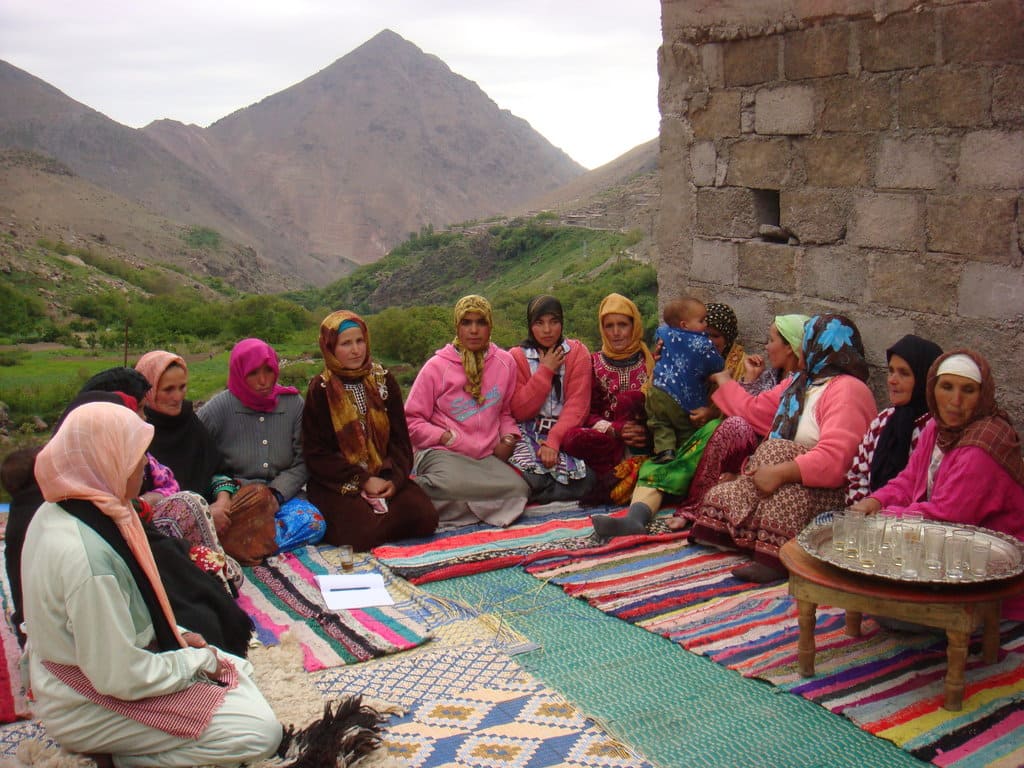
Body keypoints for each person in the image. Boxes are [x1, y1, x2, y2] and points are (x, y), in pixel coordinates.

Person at [23, 402, 282, 763]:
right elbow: (121, 677)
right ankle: (119, 758)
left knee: (240, 672)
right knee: (260, 733)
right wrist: (193, 662)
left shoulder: (63, 510)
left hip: (94, 666)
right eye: (137, 454)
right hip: (84, 697)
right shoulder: (87, 559)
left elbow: (124, 616)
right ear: (106, 457)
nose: (146, 464)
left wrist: (179, 639)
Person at [690, 314, 877, 582]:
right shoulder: (800, 384)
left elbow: (838, 460)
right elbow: (753, 411)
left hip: (824, 490)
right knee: (723, 493)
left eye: (808, 340)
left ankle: (774, 557)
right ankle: (749, 538)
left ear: (821, 345)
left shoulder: (848, 390)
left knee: (780, 466)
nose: (802, 347)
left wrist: (781, 472)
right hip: (779, 479)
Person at [849, 350, 1024, 617]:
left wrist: (882, 519)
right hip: (949, 544)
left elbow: (948, 518)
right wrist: (876, 501)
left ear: (983, 395)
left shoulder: (983, 446)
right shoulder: (937, 427)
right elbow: (909, 480)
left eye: (968, 390)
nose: (955, 401)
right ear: (932, 389)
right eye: (946, 387)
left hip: (988, 565)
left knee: (891, 611)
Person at [302, 311, 438, 550]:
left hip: (384, 473)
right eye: (346, 343)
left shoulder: (383, 379)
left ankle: (381, 516)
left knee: (425, 517)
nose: (356, 350)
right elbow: (317, 453)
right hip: (339, 481)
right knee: (360, 535)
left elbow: (400, 442)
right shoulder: (321, 389)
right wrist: (363, 480)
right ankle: (373, 520)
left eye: (360, 341)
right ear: (330, 347)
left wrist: (394, 481)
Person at [404, 295, 530, 528]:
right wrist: (444, 437)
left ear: (490, 326)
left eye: (480, 322)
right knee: (454, 486)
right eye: (466, 323)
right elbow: (411, 420)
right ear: (457, 326)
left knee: (518, 490)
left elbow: (504, 412)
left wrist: (509, 437)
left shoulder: (505, 363)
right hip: (443, 451)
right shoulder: (436, 367)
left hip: (484, 455)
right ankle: (415, 494)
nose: (474, 330)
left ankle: (449, 508)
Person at [198, 338, 325, 563]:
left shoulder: (292, 404)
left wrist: (277, 493)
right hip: (238, 500)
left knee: (313, 523)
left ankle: (240, 546)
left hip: (282, 498)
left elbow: (303, 460)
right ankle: (251, 544)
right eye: (253, 373)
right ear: (240, 373)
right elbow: (197, 452)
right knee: (223, 521)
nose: (264, 380)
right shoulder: (220, 407)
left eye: (269, 370)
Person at [135, 351, 243, 590]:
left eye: (182, 387)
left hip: (215, 515)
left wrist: (222, 502)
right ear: (148, 391)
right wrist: (200, 516)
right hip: (166, 529)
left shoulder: (189, 422)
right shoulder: (138, 431)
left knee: (257, 497)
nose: (177, 396)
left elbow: (217, 468)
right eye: (168, 389)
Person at [561, 293, 654, 501]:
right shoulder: (592, 363)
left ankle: (622, 475)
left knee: (630, 400)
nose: (616, 332)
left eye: (623, 324)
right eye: (609, 326)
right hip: (609, 440)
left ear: (635, 326)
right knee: (571, 439)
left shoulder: (651, 362)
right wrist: (615, 429)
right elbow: (586, 411)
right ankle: (623, 474)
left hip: (644, 437)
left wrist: (642, 429)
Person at [508, 295, 595, 503]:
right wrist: (545, 371)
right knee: (529, 473)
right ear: (530, 325)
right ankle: (543, 489)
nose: (547, 330)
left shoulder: (577, 353)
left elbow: (578, 406)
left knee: (589, 478)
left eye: (553, 322)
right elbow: (520, 410)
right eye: (539, 323)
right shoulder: (517, 357)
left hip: (565, 433)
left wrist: (553, 441)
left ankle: (538, 494)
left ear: (562, 323)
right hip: (529, 432)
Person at [845, 335, 943, 504]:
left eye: (904, 373)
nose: (892, 380)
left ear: (925, 379)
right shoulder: (882, 422)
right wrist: (864, 514)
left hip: (914, 522)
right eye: (891, 371)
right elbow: (857, 475)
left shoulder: (936, 429)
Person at [645, 296, 724, 463]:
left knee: (660, 422)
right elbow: (717, 364)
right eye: (702, 321)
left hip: (658, 390)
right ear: (684, 324)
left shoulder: (664, 332)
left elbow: (657, 336)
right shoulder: (702, 343)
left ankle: (665, 450)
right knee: (685, 430)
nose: (705, 326)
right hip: (682, 399)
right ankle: (684, 458)